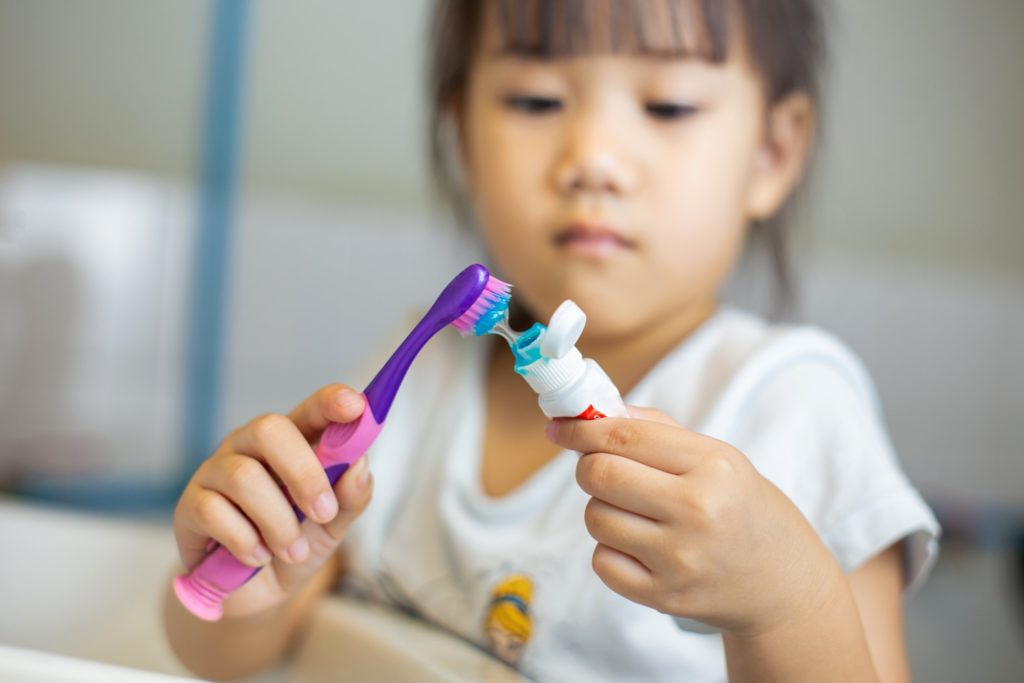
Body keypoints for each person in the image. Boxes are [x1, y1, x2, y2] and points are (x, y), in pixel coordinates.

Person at [164, 1, 940, 680]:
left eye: (667, 107)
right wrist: (246, 584)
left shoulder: (795, 408)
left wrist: (785, 600)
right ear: (462, 133)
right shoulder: (418, 373)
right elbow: (221, 659)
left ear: (772, 154)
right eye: (536, 100)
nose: (592, 160)